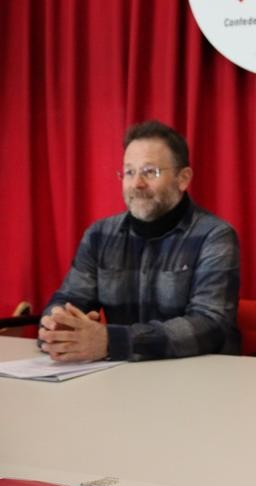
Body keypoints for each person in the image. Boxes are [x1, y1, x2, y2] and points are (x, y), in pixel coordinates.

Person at [38, 120, 240, 362]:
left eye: (150, 172)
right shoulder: (99, 235)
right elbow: (68, 299)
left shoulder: (215, 235)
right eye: (129, 172)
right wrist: (59, 327)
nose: (136, 184)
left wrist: (111, 341)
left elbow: (210, 325)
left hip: (196, 380)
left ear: (183, 179)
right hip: (120, 378)